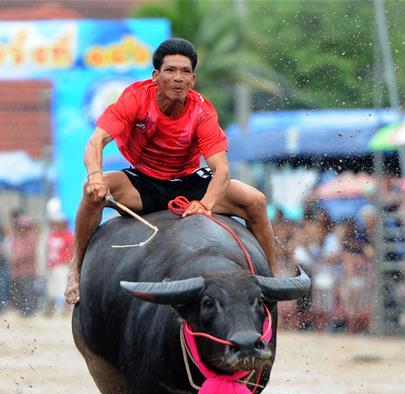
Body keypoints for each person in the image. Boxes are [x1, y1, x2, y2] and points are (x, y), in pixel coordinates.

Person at [65, 38, 276, 304]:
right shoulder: (135, 98)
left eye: (185, 72)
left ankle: (270, 282)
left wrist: (205, 204)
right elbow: (96, 142)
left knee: (256, 201)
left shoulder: (202, 112)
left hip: (189, 183)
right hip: (142, 181)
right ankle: (75, 268)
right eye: (171, 71)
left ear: (193, 79)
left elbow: (221, 170)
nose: (178, 78)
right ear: (156, 76)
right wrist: (95, 176)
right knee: (93, 193)